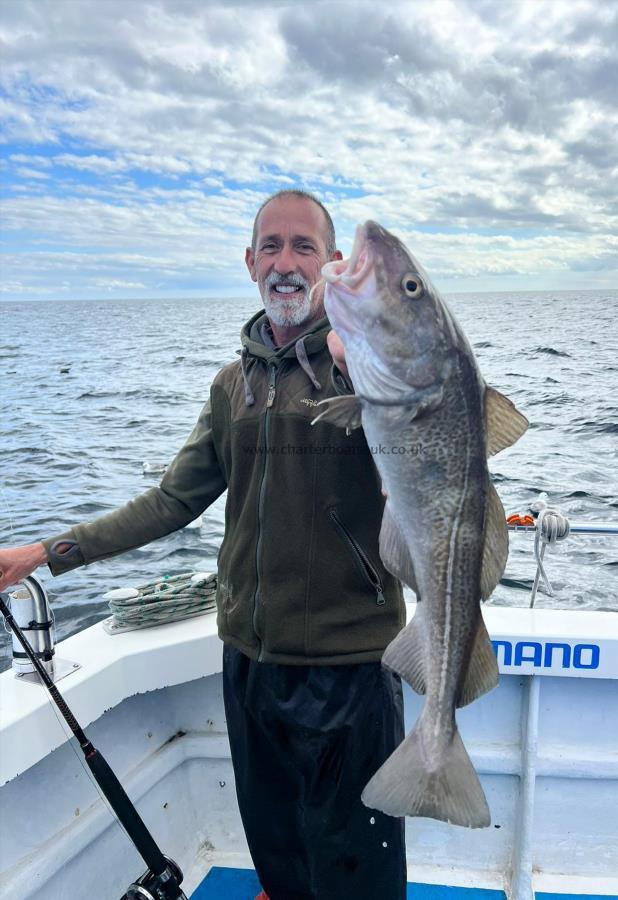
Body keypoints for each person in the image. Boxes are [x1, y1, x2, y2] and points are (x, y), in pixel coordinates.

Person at [0, 190, 407, 900]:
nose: (286, 263)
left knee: (355, 873)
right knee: (277, 853)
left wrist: (368, 365)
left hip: (350, 666)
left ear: (334, 265)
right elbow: (171, 501)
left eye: (303, 246)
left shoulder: (374, 365)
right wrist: (45, 553)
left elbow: (444, 453)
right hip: (250, 663)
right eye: (271, 247)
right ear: (249, 263)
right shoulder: (231, 387)